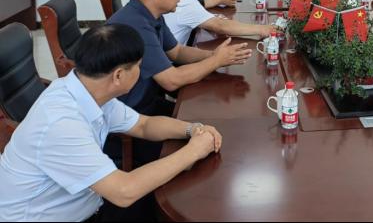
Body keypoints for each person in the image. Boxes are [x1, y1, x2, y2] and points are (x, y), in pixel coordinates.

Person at [0, 24, 222, 222]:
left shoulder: (88, 88)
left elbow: (143, 125)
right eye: (138, 66)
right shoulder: (61, 124)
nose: (141, 72)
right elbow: (124, 191)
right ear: (118, 76)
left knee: (168, 197)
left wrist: (192, 129)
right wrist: (194, 151)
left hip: (90, 202)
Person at [106, 0, 251, 117]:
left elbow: (177, 52)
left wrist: (213, 54)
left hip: (148, 98)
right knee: (204, 117)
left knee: (208, 107)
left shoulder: (151, 13)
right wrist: (216, 61)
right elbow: (171, 80)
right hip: (128, 113)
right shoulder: (137, 25)